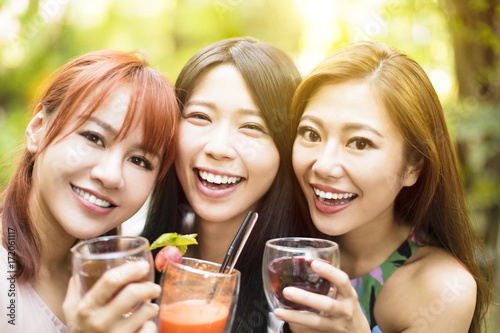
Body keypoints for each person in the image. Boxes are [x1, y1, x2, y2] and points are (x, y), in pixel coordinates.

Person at [274, 41, 493, 332]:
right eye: (311, 133)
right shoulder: (278, 247)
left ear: (412, 166)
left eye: (360, 143)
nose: (323, 165)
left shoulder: (442, 288)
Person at [0, 49, 178, 333]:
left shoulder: (120, 282)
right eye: (93, 138)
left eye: (139, 160)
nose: (110, 175)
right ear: (37, 129)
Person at [142, 37, 305, 332]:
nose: (219, 148)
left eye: (252, 127)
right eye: (200, 117)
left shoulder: (301, 297)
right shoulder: (130, 268)